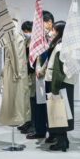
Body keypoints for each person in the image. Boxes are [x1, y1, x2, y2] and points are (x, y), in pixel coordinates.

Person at [45, 21, 74, 152]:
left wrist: (55, 88)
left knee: (59, 111)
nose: (52, 32)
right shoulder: (68, 45)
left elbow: (58, 70)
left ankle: (61, 142)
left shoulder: (60, 47)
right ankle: (64, 140)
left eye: (54, 30)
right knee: (64, 111)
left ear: (60, 32)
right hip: (66, 83)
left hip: (60, 83)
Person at [27, 10, 54, 141]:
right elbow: (39, 55)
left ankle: (51, 132)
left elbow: (51, 58)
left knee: (49, 105)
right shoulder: (42, 37)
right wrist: (38, 68)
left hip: (48, 75)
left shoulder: (53, 37)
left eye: (41, 23)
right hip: (40, 74)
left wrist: (42, 69)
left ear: (49, 22)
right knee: (39, 104)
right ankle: (40, 130)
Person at [17, 20, 34, 134]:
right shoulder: (26, 41)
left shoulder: (35, 42)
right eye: (24, 31)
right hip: (27, 73)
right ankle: (27, 121)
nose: (26, 33)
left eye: (27, 31)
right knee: (26, 99)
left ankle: (32, 123)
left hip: (33, 73)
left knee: (32, 99)